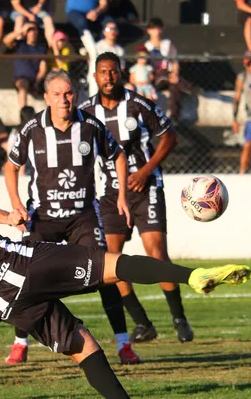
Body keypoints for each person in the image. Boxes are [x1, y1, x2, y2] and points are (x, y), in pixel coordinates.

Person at [0, 145, 251, 398]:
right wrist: (5, 216)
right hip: (21, 267)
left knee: (84, 345)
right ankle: (190, 276)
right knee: (109, 264)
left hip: (4, 305)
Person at [4, 69, 137, 365]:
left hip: (83, 216)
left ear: (74, 95)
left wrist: (122, 196)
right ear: (46, 97)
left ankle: (124, 344)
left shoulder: (90, 125)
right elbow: (10, 166)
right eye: (57, 94)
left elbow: (117, 155)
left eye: (68, 94)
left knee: (107, 272)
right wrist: (15, 203)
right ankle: (19, 343)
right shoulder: (31, 129)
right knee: (25, 275)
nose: (64, 100)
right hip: (44, 217)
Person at [81, 52, 193, 344]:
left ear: (122, 73)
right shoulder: (86, 112)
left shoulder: (138, 104)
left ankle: (179, 318)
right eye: (103, 72)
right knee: (112, 262)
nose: (109, 77)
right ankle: (143, 323)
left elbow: (169, 137)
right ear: (95, 77)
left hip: (146, 189)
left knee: (156, 253)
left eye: (113, 71)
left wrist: (145, 171)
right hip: (108, 194)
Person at [4, 23, 48, 109]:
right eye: (29, 30)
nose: (32, 33)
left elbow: (43, 69)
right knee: (23, 85)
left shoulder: (41, 48)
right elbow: (6, 40)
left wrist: (37, 81)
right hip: (21, 79)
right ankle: (23, 114)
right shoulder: (19, 45)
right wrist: (21, 30)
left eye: (34, 30)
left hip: (36, 80)